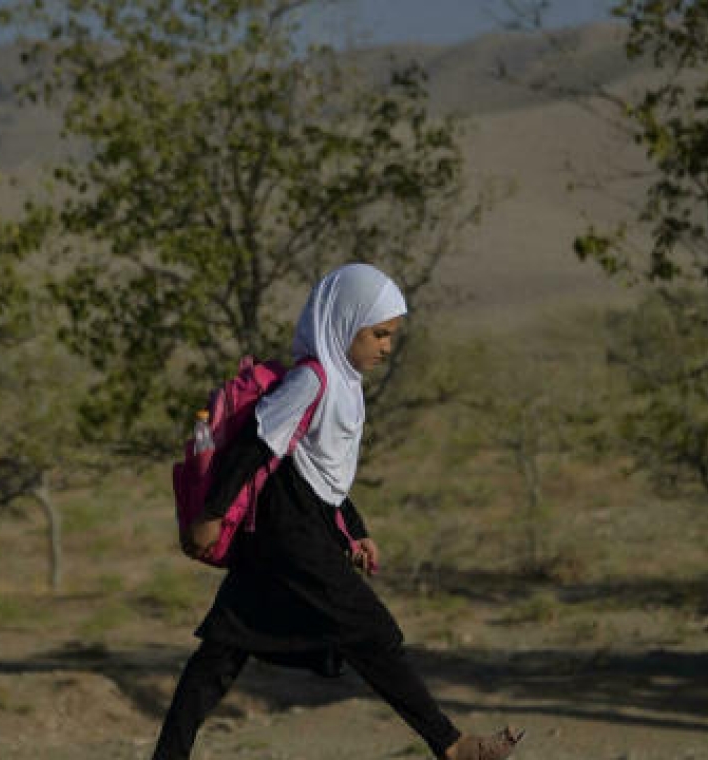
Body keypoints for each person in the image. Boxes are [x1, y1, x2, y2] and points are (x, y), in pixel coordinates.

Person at [153, 263, 522, 760]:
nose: (386, 347)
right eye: (378, 334)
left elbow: (323, 475)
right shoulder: (312, 380)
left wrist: (355, 531)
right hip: (288, 533)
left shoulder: (344, 385)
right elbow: (256, 445)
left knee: (221, 653)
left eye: (390, 336)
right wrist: (213, 513)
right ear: (344, 322)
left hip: (297, 527)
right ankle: (452, 746)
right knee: (372, 631)